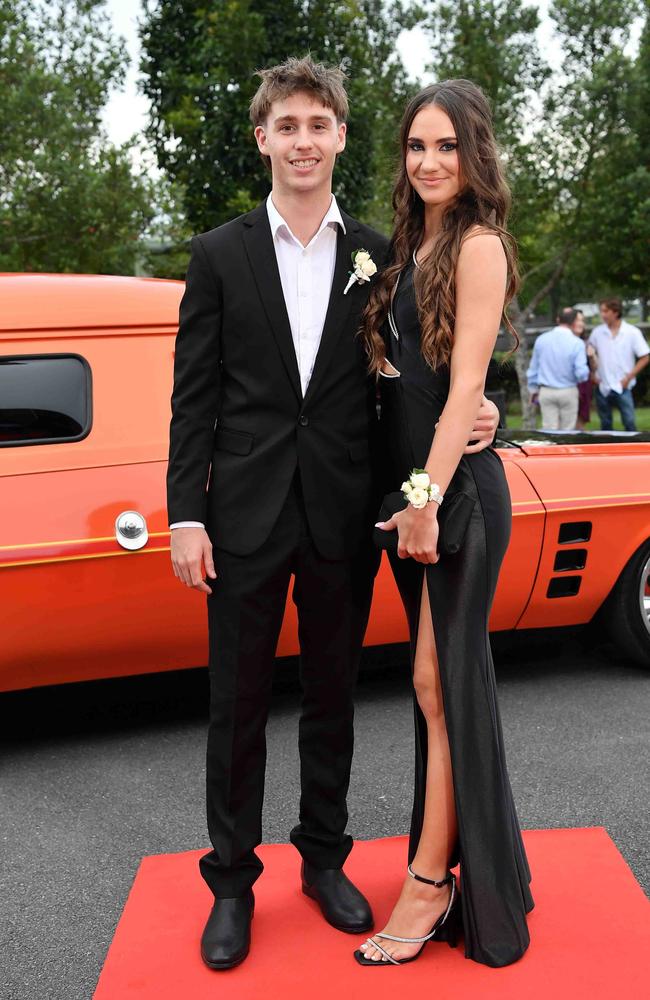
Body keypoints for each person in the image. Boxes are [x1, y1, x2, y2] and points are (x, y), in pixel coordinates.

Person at [166, 56, 500, 971]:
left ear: (342, 137)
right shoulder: (217, 254)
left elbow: (422, 369)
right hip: (238, 516)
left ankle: (323, 862)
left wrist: (485, 406)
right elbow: (192, 397)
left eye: (321, 125)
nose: (304, 141)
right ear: (264, 138)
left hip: (343, 514)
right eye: (289, 126)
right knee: (234, 704)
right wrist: (184, 516)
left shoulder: (383, 254)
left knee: (332, 700)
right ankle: (231, 883)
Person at [357, 79, 534, 969]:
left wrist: (424, 499)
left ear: (475, 152)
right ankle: (471, 871)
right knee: (440, 688)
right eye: (417, 147)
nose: (429, 163)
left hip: (451, 495)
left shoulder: (478, 245)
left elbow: (466, 385)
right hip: (411, 490)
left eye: (447, 147)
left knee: (439, 682)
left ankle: (430, 885)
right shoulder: (405, 244)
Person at [588, 297, 649, 431]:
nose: (602, 315)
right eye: (601, 311)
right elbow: (591, 355)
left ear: (615, 312)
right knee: (605, 424)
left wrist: (629, 377)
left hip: (623, 385)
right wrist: (592, 374)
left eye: (605, 311)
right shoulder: (597, 333)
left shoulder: (632, 332)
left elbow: (645, 357)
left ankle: (633, 450)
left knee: (629, 423)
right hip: (602, 385)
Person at [526, 307, 589, 430]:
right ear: (573, 322)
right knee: (568, 431)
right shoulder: (577, 343)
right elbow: (581, 373)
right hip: (568, 390)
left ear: (558, 319)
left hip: (546, 391)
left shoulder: (541, 339)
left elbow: (534, 369)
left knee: (549, 430)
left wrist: (533, 390)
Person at [571, 309, 595, 430]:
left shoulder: (586, 342)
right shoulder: (565, 342)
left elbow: (594, 369)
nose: (580, 323)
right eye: (577, 320)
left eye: (582, 320)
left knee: (580, 423)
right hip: (567, 385)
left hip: (583, 386)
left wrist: (592, 357)